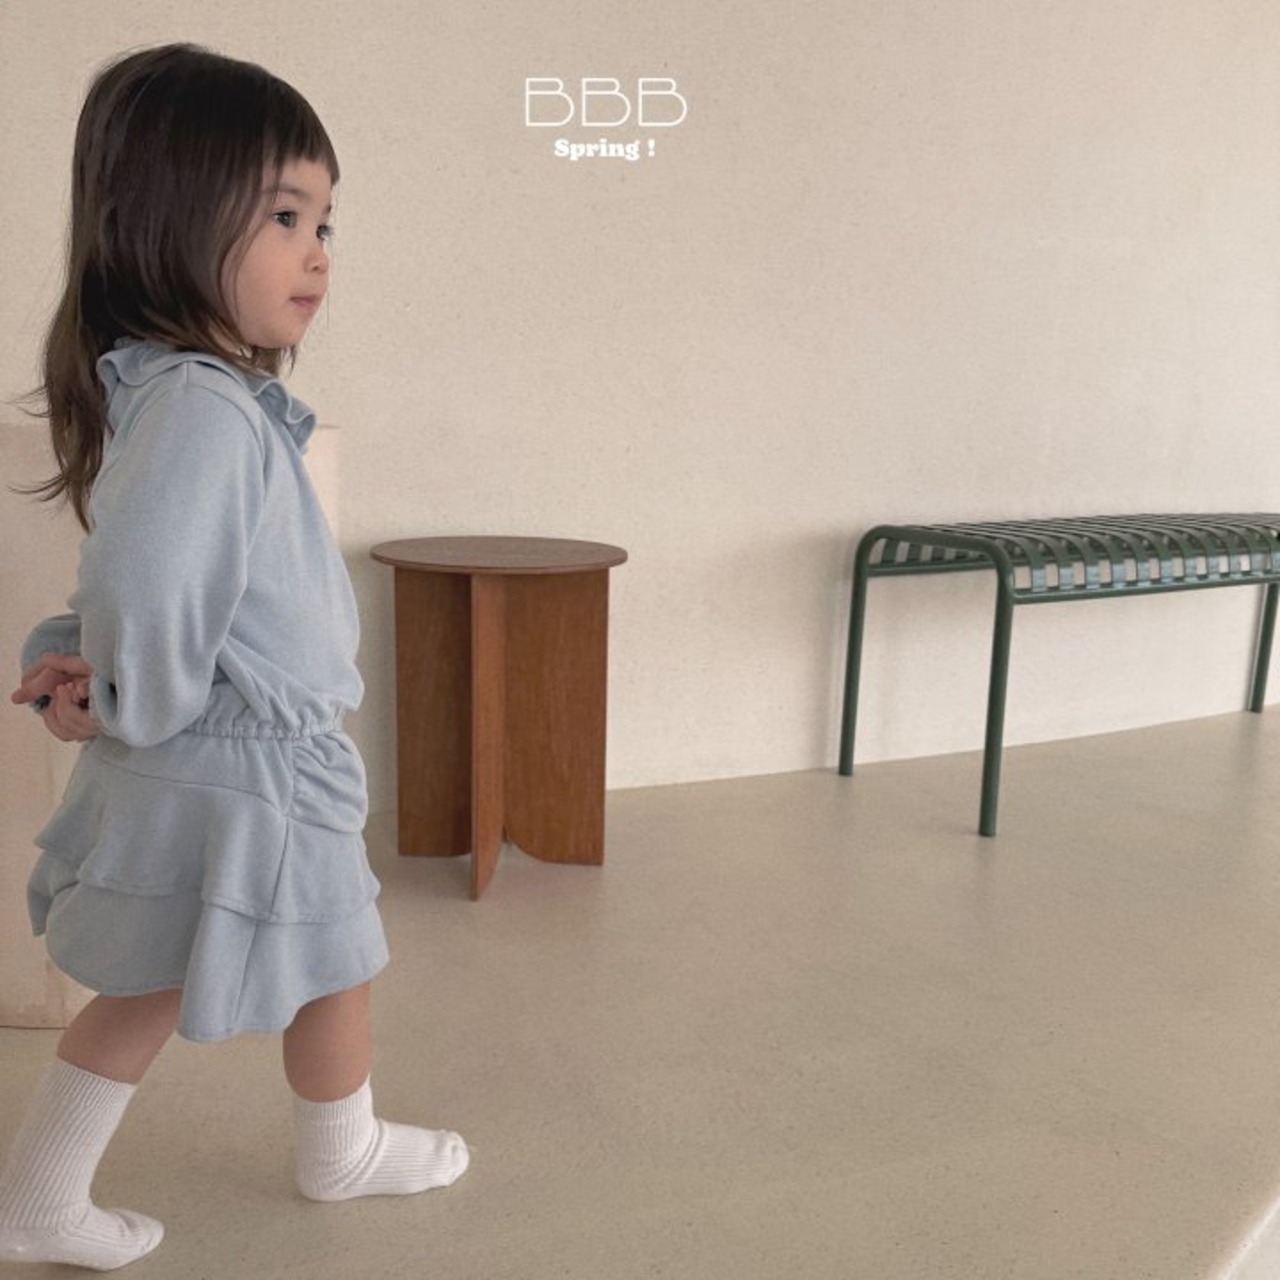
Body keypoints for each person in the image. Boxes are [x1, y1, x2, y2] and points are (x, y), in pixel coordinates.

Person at [0, 43, 468, 1271]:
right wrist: (125, 692)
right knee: (310, 957)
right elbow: (149, 586)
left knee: (245, 968)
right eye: (282, 216)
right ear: (164, 219)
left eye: (324, 221)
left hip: (236, 754)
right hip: (240, 767)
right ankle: (321, 1153)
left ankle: (307, 1150)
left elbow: (155, 583)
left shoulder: (189, 397)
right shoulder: (204, 408)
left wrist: (101, 673)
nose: (318, 253)